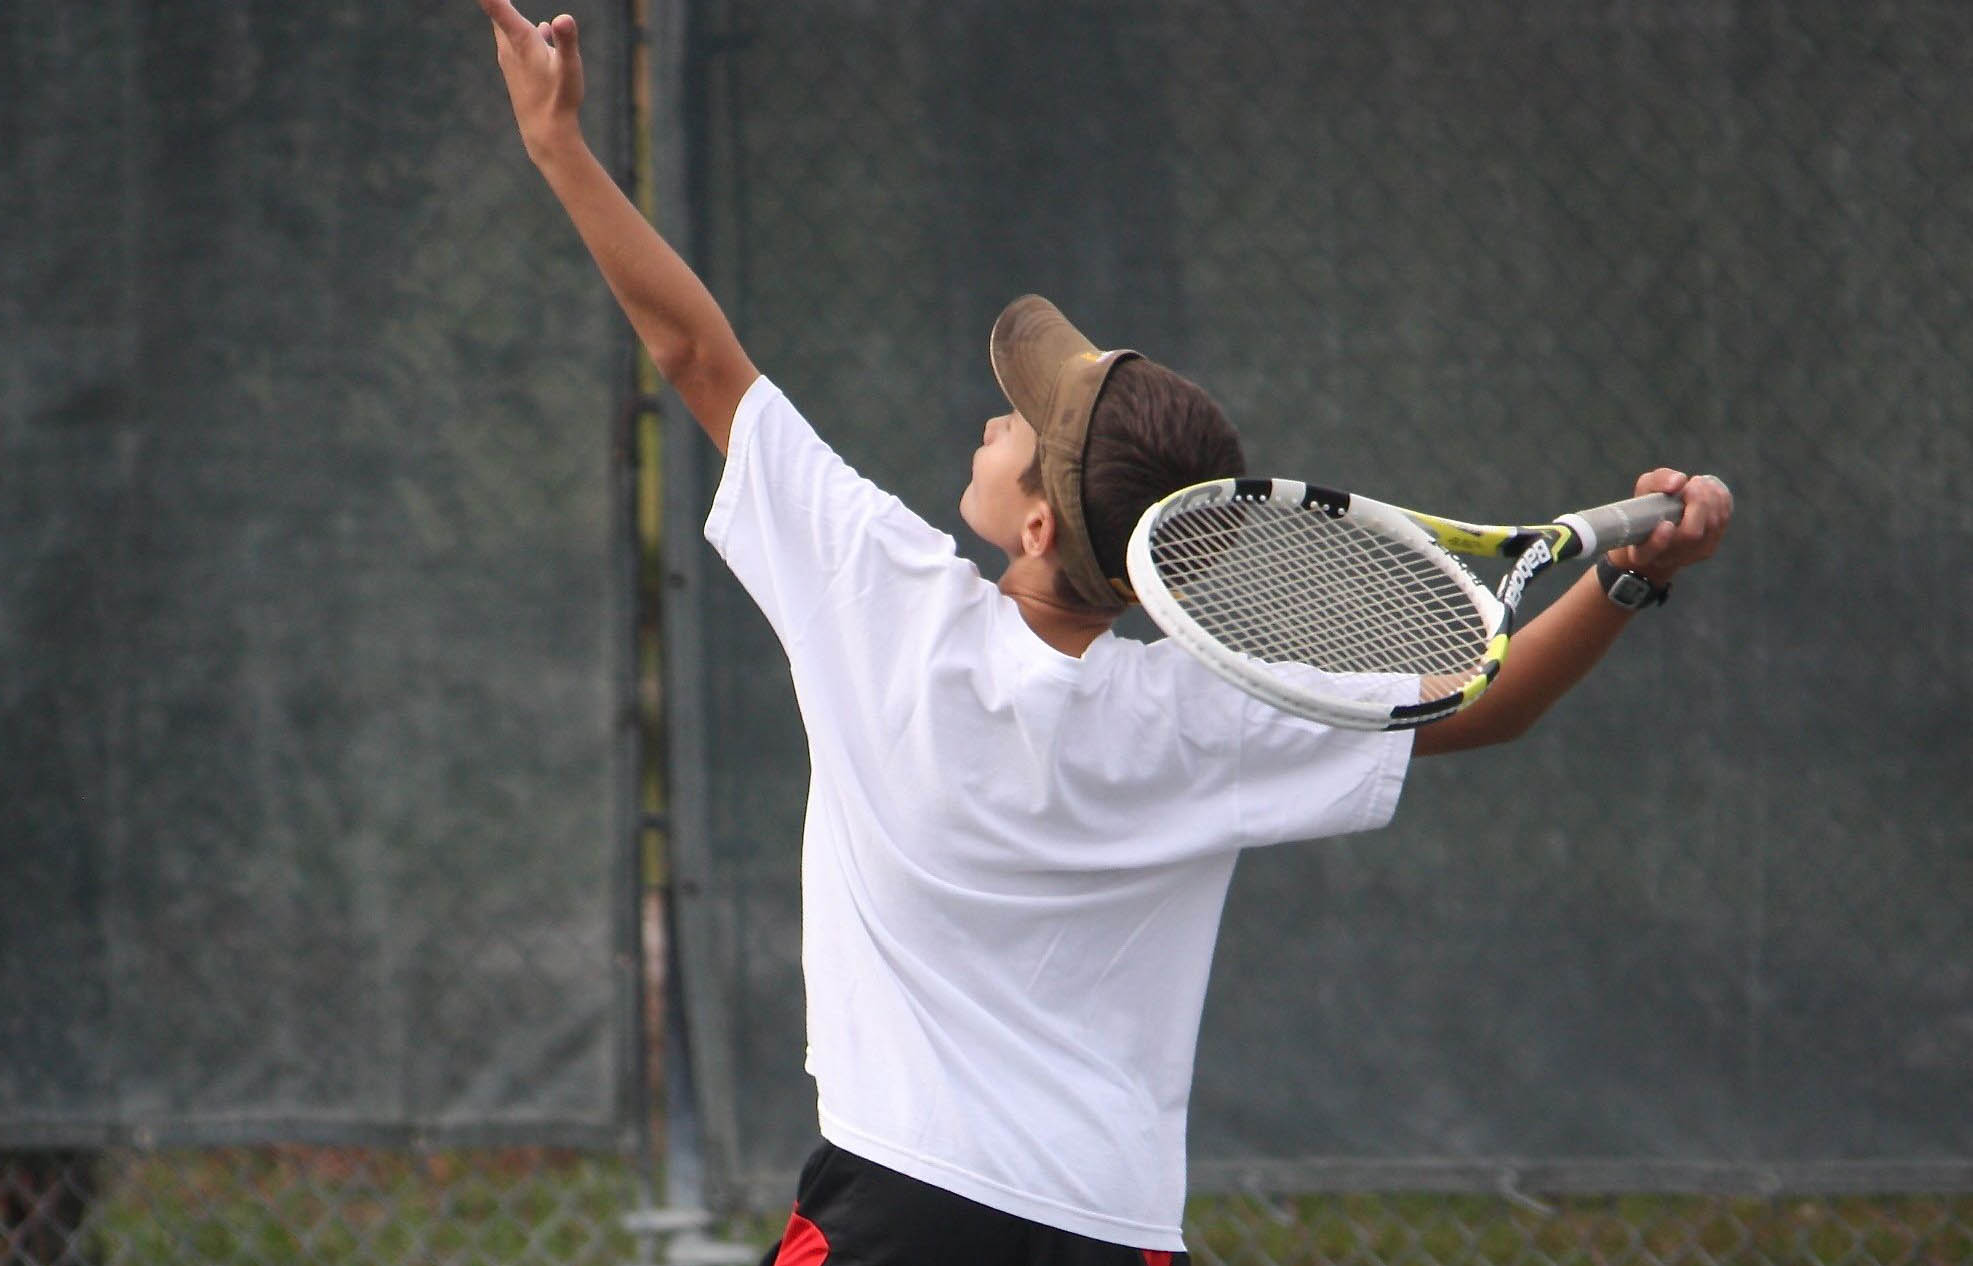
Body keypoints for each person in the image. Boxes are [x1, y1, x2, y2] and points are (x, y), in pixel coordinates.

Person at [470, 5, 1734, 1263]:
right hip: (1108, 1227)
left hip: (895, 1209)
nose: (990, 422)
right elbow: (1488, 702)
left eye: (1013, 425)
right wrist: (1625, 581)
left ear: (1030, 528)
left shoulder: (885, 600)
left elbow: (693, 350)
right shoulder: (1202, 718)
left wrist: (558, 145)